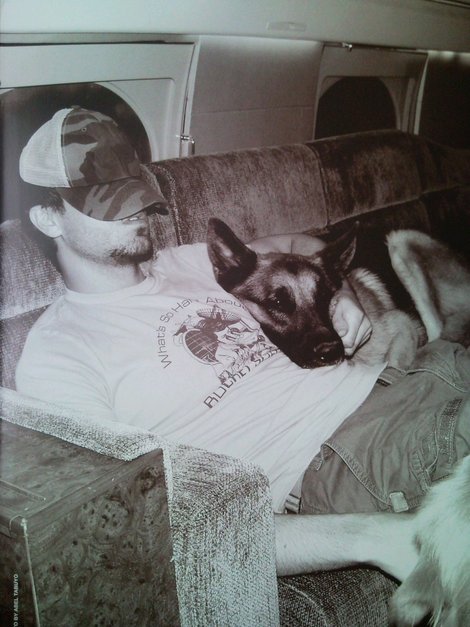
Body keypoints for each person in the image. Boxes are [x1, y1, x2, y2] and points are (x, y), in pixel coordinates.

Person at [16, 107, 425, 581]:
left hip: (403, 383)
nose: (137, 212)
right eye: (106, 201)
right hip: (343, 456)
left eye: (137, 194)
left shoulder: (191, 260)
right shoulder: (58, 354)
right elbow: (138, 525)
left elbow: (303, 244)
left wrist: (343, 298)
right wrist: (369, 536)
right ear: (48, 219)